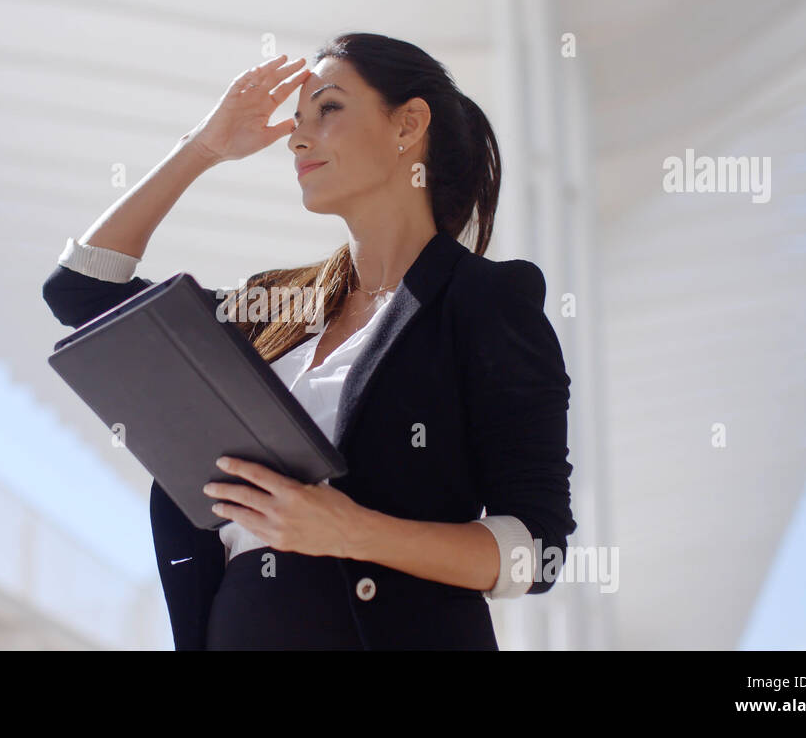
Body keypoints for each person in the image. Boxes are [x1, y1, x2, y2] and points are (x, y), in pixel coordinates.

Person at [43, 32, 577, 650]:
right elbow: (80, 292)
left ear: (409, 123)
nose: (298, 138)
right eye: (296, 121)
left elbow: (537, 553)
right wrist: (205, 148)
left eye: (327, 109)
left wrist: (352, 532)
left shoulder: (482, 300)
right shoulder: (274, 304)